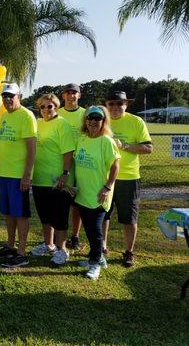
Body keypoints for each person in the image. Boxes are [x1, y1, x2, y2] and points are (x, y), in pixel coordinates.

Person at [0, 83, 37, 268]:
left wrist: (27, 175)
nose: (8, 99)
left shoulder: (26, 116)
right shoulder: (4, 117)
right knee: (8, 212)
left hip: (19, 176)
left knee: (21, 214)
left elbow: (32, 148)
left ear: (19, 96)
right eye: (5, 96)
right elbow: (2, 145)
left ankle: (22, 253)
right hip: (5, 174)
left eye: (11, 96)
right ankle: (10, 246)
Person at [104, 90, 153, 267]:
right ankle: (102, 248)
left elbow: (148, 148)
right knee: (103, 215)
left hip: (129, 178)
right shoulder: (102, 120)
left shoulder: (135, 121)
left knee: (129, 218)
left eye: (120, 103)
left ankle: (129, 252)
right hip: (104, 177)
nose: (116, 107)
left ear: (126, 104)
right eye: (112, 103)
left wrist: (124, 145)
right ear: (107, 105)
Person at [74, 106, 120, 280]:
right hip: (83, 194)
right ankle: (98, 258)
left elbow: (116, 166)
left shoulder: (106, 141)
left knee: (95, 230)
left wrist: (107, 187)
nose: (93, 121)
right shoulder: (82, 139)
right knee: (89, 228)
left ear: (103, 122)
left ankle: (95, 264)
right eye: (90, 118)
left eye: (97, 118)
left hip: (99, 195)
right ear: (85, 121)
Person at [31, 93, 75, 266]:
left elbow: (68, 151)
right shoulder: (38, 124)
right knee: (45, 215)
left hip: (57, 180)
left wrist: (65, 173)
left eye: (49, 106)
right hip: (39, 178)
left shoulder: (62, 124)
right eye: (42, 106)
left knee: (60, 215)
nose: (46, 109)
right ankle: (48, 244)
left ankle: (62, 249)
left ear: (56, 106)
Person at [59, 83, 87, 252]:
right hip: (62, 162)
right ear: (63, 96)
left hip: (81, 163)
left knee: (78, 203)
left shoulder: (85, 114)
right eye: (68, 93)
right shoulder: (57, 113)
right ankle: (58, 236)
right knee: (61, 201)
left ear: (79, 95)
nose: (71, 96)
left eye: (74, 93)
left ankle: (75, 236)